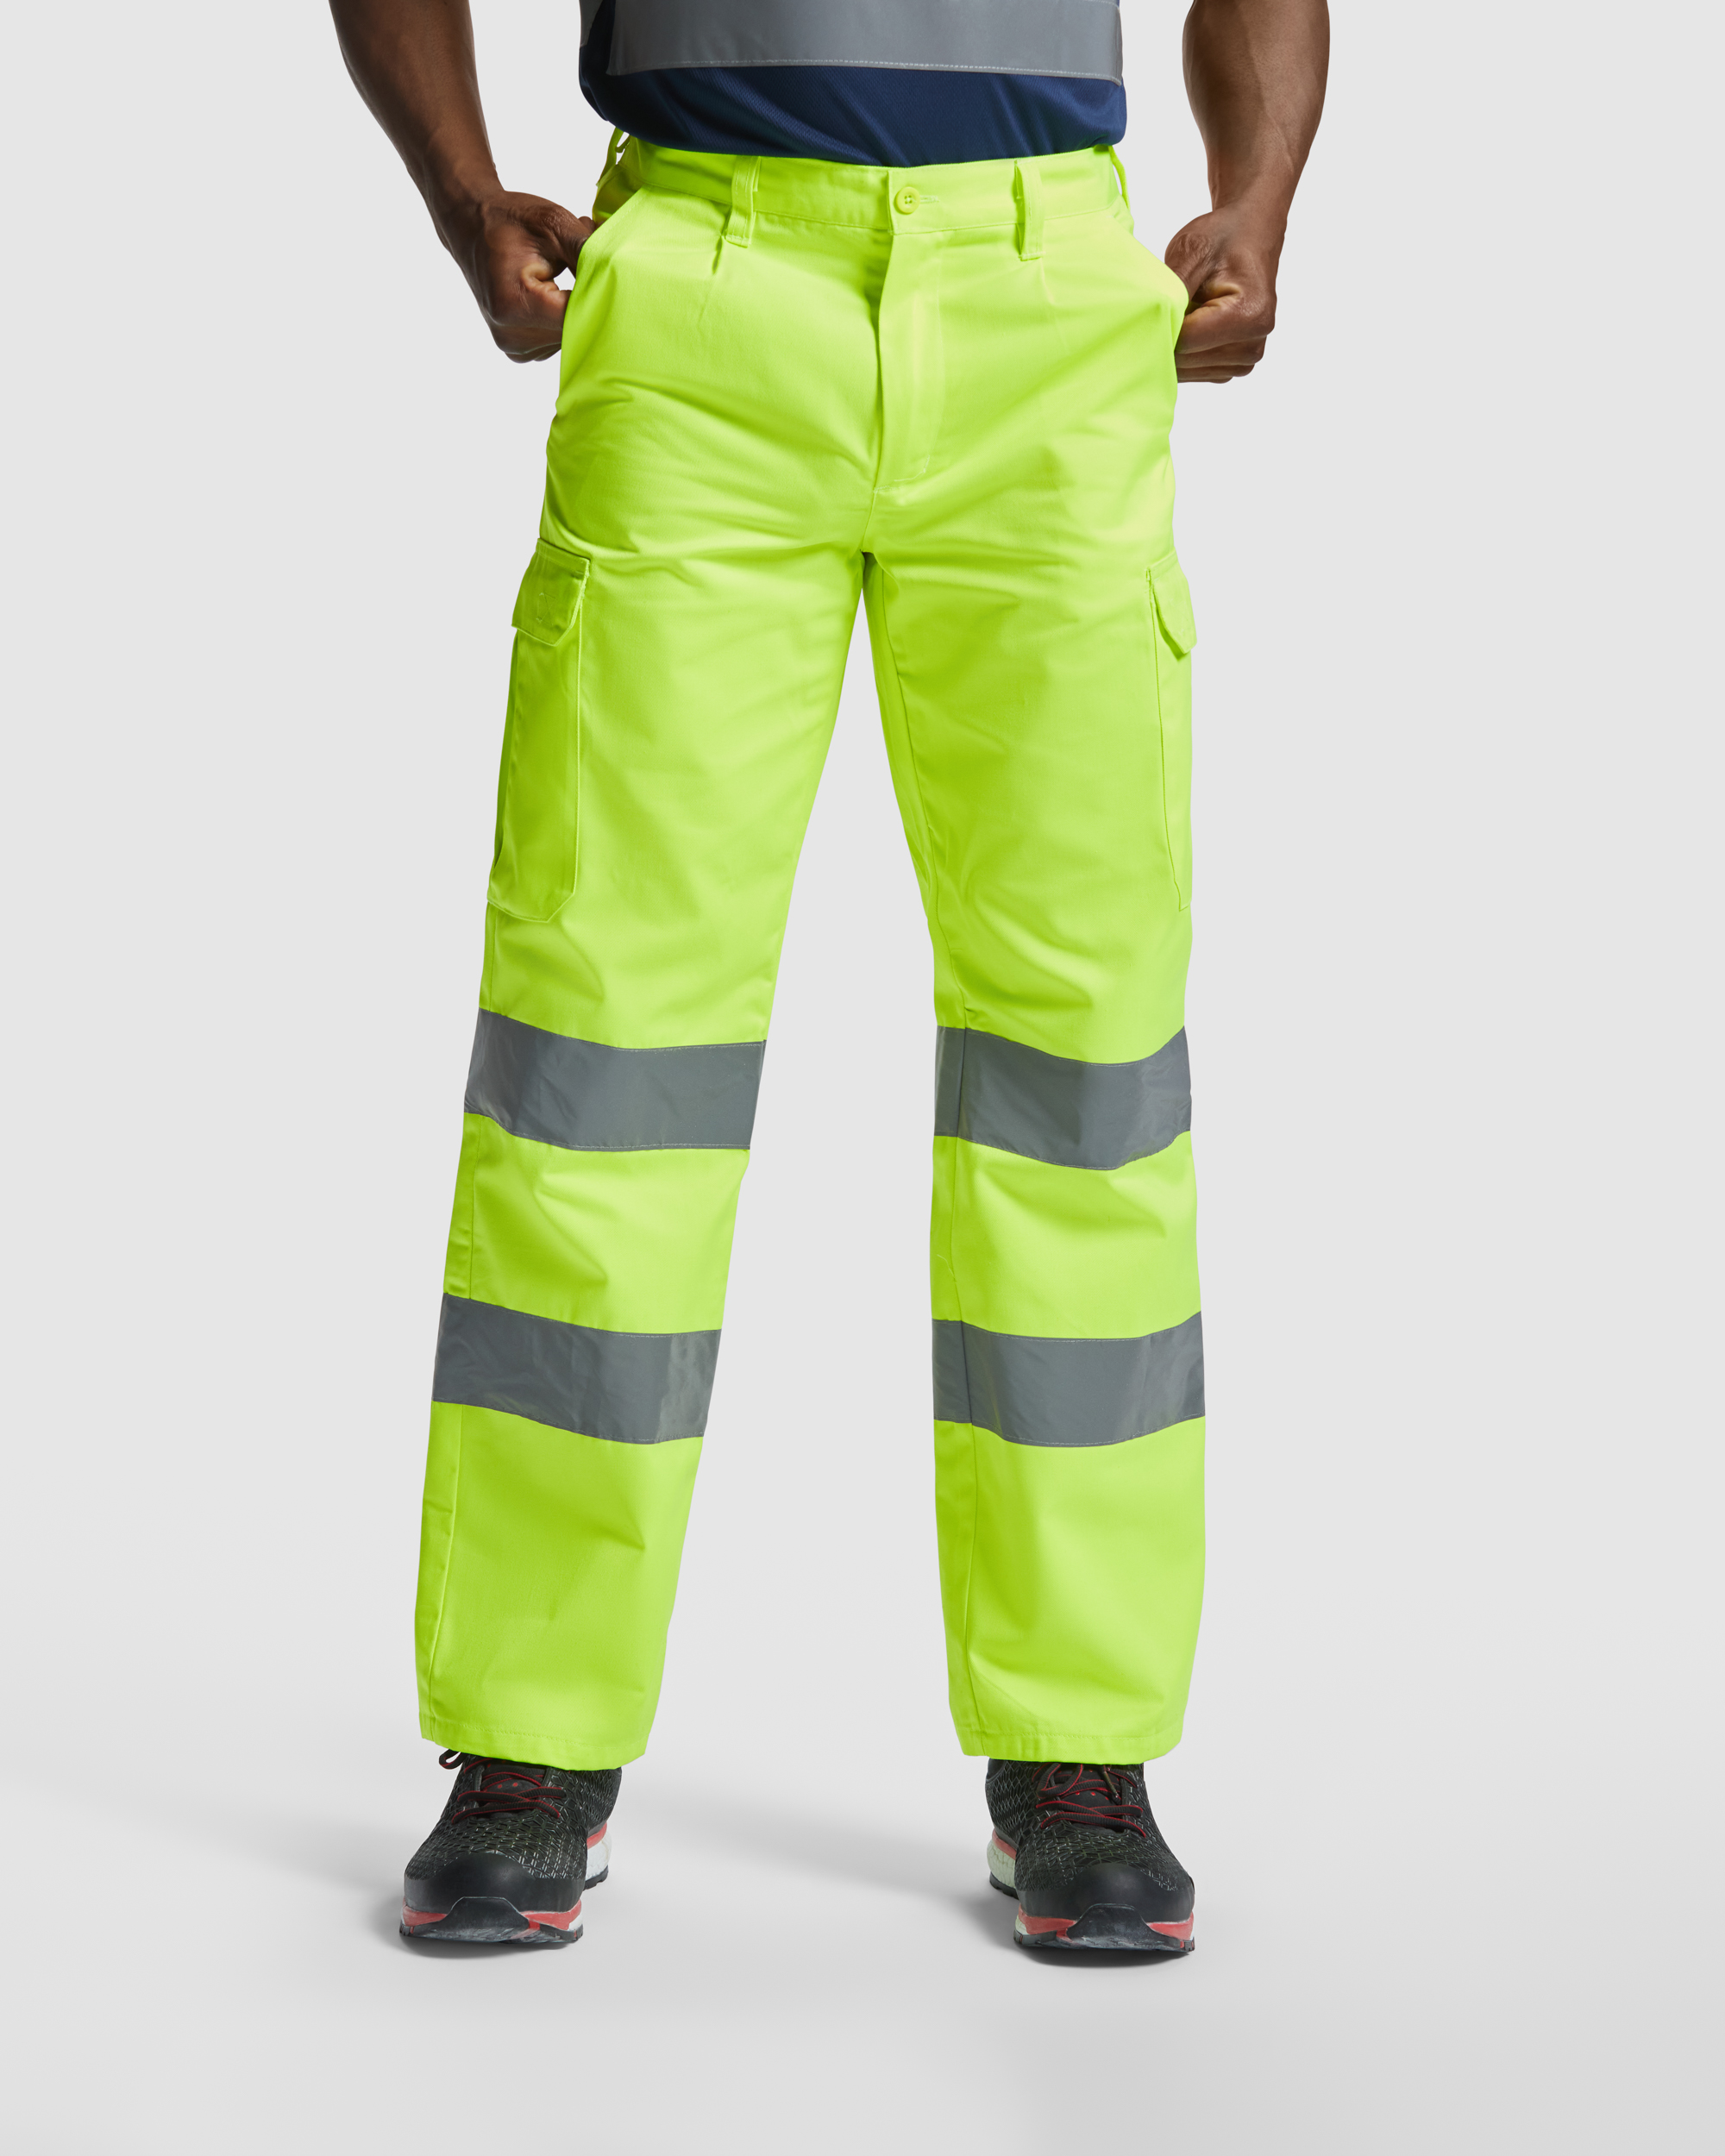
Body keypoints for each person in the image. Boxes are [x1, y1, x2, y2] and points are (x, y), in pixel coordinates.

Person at [330, 0, 1327, 1952]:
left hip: (1050, 301)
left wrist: (1260, 195)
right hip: (703, 294)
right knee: (602, 1053)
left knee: (1084, 1058)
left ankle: (1080, 1745)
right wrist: (459, 192)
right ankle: (527, 1741)